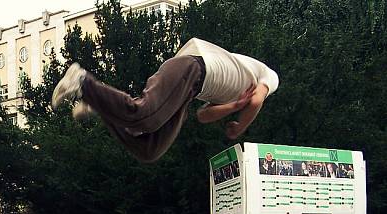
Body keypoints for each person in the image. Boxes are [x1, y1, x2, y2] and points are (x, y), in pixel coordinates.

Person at [51, 38, 279, 163]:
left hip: (189, 92)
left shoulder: (233, 91)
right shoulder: (270, 77)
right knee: (144, 117)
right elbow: (257, 100)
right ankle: (82, 81)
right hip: (191, 68)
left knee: (150, 150)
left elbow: (203, 115)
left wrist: (233, 107)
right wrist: (239, 126)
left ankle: (100, 104)